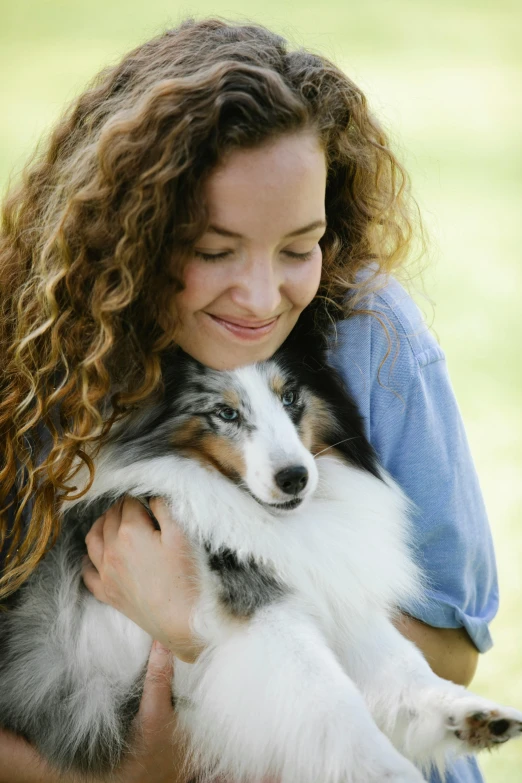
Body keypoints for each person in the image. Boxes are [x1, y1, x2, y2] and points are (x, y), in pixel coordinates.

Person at [0, 17, 498, 783]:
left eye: (299, 247)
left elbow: (454, 651)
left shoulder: (372, 336)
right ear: (135, 238)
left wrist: (195, 625)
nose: (263, 298)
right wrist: (126, 776)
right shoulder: (42, 353)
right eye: (213, 251)